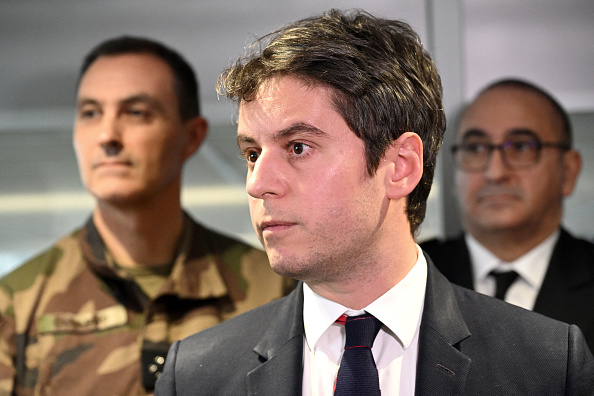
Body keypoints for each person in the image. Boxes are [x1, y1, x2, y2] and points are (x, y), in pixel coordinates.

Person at [155, 9, 594, 395]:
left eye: (298, 148)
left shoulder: (548, 365)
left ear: (400, 166)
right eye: (252, 154)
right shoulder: (196, 375)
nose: (257, 184)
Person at [0, 36, 293, 396]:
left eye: (136, 112)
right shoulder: (15, 304)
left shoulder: (276, 289)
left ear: (192, 136)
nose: (108, 136)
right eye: (91, 113)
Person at [420, 78, 594, 352]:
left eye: (521, 147)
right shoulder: (412, 277)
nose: (495, 172)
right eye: (476, 148)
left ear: (568, 171)